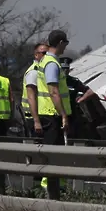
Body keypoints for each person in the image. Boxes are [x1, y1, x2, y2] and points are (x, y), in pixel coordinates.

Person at [21, 40, 70, 193]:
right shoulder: (34, 71)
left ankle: (54, 184)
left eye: (46, 52)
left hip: (44, 116)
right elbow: (31, 97)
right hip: (36, 117)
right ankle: (45, 186)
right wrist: (36, 121)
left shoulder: (42, 68)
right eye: (42, 53)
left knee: (51, 151)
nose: (45, 55)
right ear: (36, 55)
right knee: (46, 152)